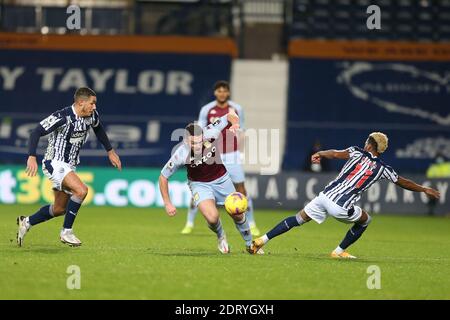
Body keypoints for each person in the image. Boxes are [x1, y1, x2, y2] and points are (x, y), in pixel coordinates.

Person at [249, 132, 441, 258]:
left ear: (369, 144)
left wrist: (320, 154)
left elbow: (334, 154)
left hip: (324, 196)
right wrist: (424, 189)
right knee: (366, 220)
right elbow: (403, 182)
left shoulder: (356, 152)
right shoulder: (383, 169)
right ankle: (339, 251)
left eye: (367, 140)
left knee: (298, 218)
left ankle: (260, 241)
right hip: (341, 206)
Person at [16, 87, 122, 247]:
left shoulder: (91, 115)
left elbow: (98, 129)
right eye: (92, 103)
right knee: (81, 190)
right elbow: (36, 131)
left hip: (70, 165)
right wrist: (31, 156)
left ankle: (27, 222)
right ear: (81, 102)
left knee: (59, 209)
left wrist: (110, 151)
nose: (94, 107)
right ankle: (67, 232)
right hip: (54, 162)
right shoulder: (62, 116)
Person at [159, 112, 261, 254]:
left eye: (200, 141)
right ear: (187, 141)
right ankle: (221, 236)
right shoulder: (180, 154)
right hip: (200, 185)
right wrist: (167, 202)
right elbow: (163, 176)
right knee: (212, 218)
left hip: (222, 179)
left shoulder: (211, 131)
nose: (198, 145)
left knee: (238, 213)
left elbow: (230, 115)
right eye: (194, 143)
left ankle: (250, 244)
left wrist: (235, 123)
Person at [180, 80, 260, 236]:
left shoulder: (237, 109)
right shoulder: (207, 109)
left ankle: (251, 223)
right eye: (219, 90)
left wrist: (240, 152)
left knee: (241, 189)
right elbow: (199, 131)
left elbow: (241, 131)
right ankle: (189, 223)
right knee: (200, 185)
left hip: (232, 154)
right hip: (212, 154)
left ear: (228, 93)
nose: (222, 93)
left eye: (224, 91)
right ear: (215, 92)